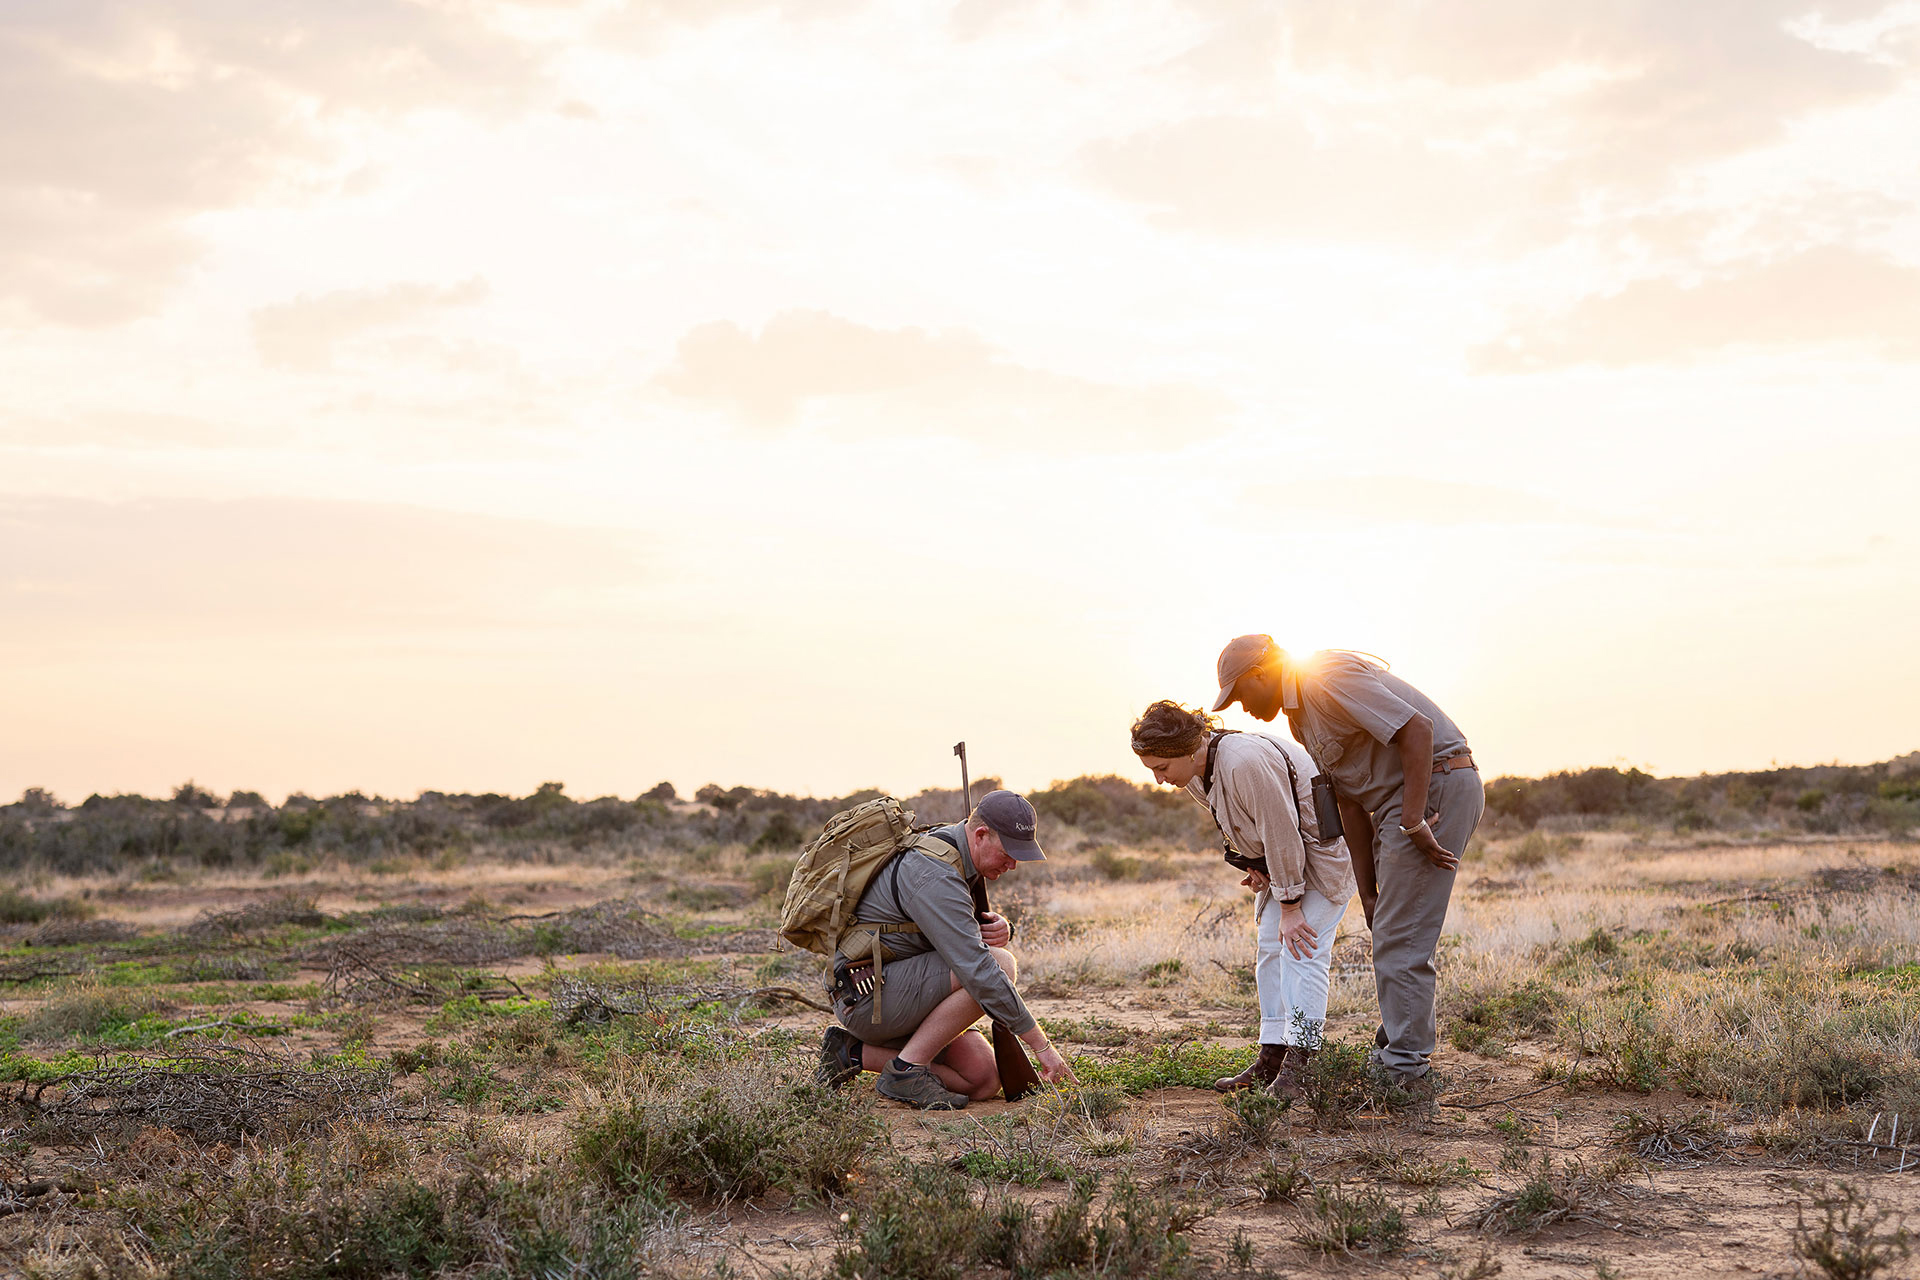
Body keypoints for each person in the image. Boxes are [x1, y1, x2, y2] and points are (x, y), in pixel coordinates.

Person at [1209, 636, 1483, 1089]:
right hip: (1392, 804)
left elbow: (1417, 730)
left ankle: (1406, 1076)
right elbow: (1348, 804)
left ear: (1260, 674)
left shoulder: (1325, 676)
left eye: (1241, 694)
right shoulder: (1301, 718)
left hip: (1432, 784)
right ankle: (1395, 1053)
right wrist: (1368, 892)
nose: (1242, 707)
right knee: (1390, 927)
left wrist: (1414, 820)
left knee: (1402, 937)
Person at [1131, 700, 1355, 1095]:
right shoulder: (1200, 773)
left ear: (1184, 749)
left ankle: (1303, 1067)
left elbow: (1282, 829)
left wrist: (1289, 906)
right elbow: (1246, 826)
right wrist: (1254, 864)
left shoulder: (1243, 761)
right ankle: (1272, 1058)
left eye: (1161, 768)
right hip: (1285, 866)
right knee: (1270, 947)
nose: (1159, 780)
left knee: (1301, 949)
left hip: (1321, 860)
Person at [816, 789, 1077, 1109]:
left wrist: (1001, 928)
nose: (1012, 864)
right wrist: (1042, 1046)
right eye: (1008, 851)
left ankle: (851, 1053)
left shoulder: (954, 850)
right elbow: (979, 969)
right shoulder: (933, 871)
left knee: (982, 1080)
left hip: (896, 991)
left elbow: (950, 932)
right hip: (868, 997)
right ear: (981, 835)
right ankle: (905, 1071)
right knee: (1000, 966)